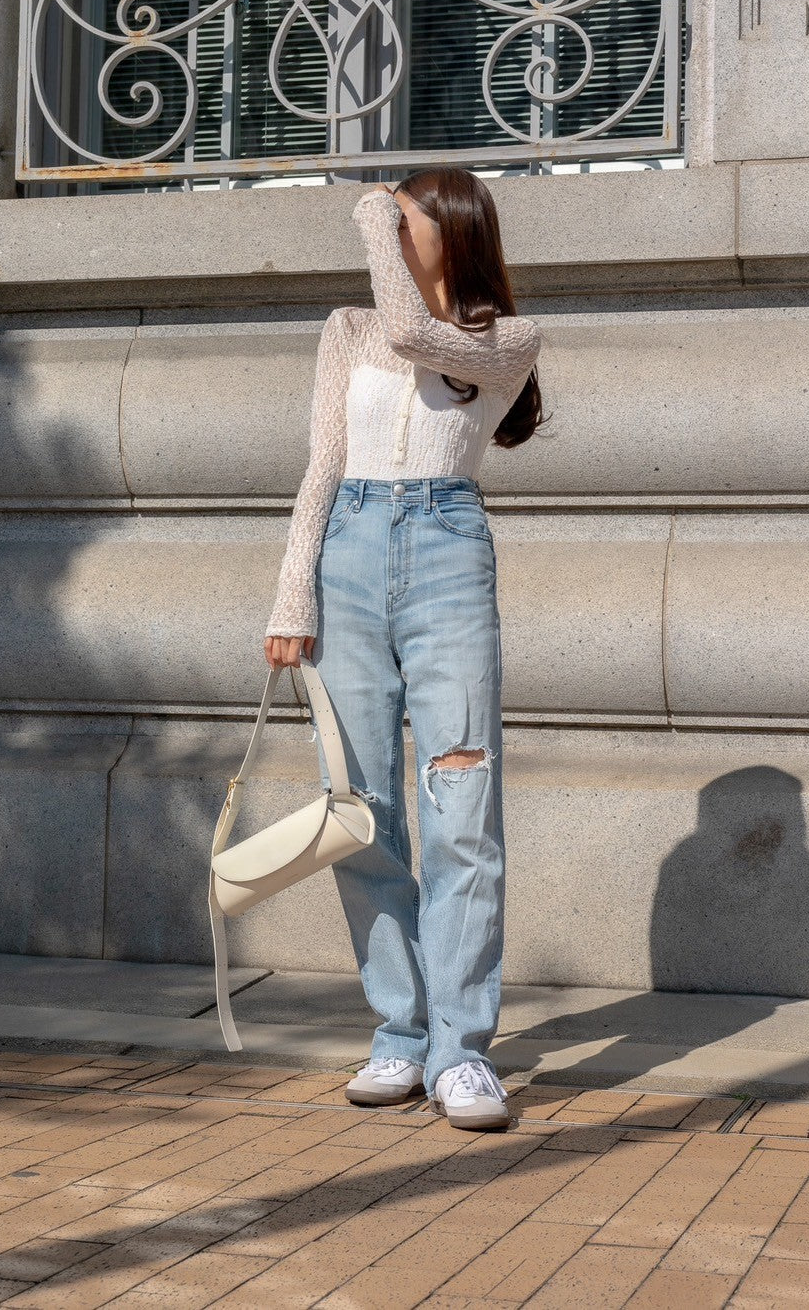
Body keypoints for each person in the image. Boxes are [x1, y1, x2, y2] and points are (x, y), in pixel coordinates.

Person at [262, 168, 546, 1130]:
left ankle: (463, 1050)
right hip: (345, 548)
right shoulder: (345, 331)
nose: (388, 225)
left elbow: (413, 330)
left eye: (407, 217)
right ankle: (399, 1032)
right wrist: (290, 591)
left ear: (450, 230)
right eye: (389, 216)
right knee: (365, 803)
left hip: (446, 551)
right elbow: (322, 467)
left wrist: (369, 219)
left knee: (462, 801)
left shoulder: (502, 338)